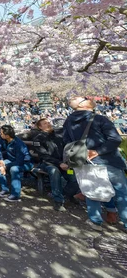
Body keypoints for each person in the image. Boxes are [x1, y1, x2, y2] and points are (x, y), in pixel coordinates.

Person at [63, 97, 126, 232]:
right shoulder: (99, 119)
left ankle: (95, 221)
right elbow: (115, 139)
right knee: (121, 193)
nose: (89, 98)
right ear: (83, 105)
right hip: (108, 161)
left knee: (92, 191)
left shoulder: (68, 121)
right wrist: (97, 151)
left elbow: (66, 141)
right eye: (85, 98)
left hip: (84, 162)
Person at [31, 118, 78, 211]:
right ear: (40, 127)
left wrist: (67, 162)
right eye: (45, 123)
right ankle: (58, 201)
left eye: (49, 122)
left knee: (73, 177)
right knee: (54, 172)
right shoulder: (37, 139)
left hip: (64, 164)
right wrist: (59, 163)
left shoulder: (58, 135)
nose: (48, 124)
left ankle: (66, 195)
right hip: (48, 164)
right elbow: (43, 155)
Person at [0, 125, 32, 202]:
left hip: (26, 163)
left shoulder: (18, 144)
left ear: (7, 135)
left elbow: (20, 161)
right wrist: (1, 160)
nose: (0, 134)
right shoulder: (3, 140)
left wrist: (5, 166)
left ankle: (16, 195)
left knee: (14, 169)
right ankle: (5, 189)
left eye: (1, 133)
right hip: (12, 160)